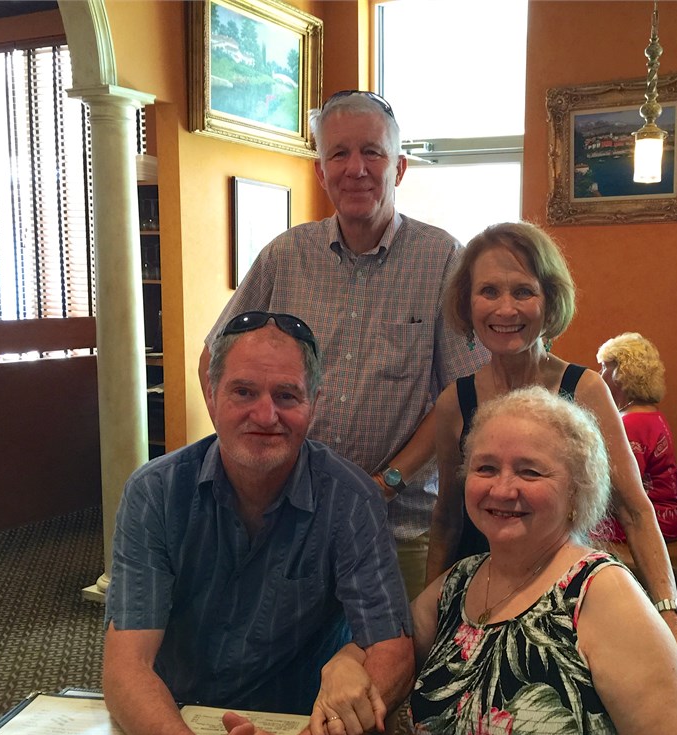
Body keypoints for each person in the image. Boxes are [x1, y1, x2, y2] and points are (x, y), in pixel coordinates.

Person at [200, 90, 488, 599]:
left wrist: (388, 481)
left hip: (399, 524)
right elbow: (214, 360)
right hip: (290, 516)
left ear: (399, 168)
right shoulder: (285, 257)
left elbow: (466, 392)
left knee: (396, 646)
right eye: (339, 154)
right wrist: (247, 457)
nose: (356, 169)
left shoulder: (443, 259)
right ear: (320, 171)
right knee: (287, 643)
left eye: (372, 152)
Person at [424, 221, 677, 704]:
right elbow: (446, 521)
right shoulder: (453, 403)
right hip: (480, 600)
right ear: (466, 302)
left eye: (523, 291)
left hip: (565, 600)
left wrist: (672, 617)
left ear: (549, 301)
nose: (505, 309)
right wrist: (436, 624)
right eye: (489, 291)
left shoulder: (584, 390)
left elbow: (634, 509)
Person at [105, 311, 414, 735]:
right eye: (244, 392)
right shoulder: (155, 493)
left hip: (305, 729)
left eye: (287, 395)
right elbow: (126, 666)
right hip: (177, 723)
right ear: (211, 395)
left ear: (314, 404)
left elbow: (393, 651)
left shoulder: (350, 499)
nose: (266, 416)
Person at [408, 387, 677, 735]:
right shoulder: (458, 582)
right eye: (486, 468)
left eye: (529, 472)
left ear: (577, 491)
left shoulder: (603, 593)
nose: (502, 488)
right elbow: (390, 646)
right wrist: (349, 665)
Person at [597, 331, 677, 542]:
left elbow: (621, 488)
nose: (599, 375)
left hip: (650, 522)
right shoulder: (651, 414)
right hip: (666, 517)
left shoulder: (631, 423)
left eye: (603, 367)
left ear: (620, 372)